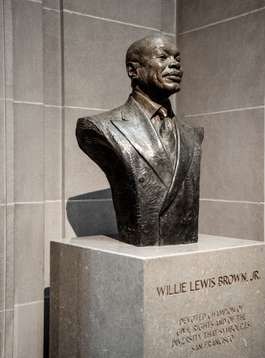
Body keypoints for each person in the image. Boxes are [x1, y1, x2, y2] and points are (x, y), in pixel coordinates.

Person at [76, 33, 204, 246]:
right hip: (142, 242)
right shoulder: (100, 126)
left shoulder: (193, 135)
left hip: (184, 240)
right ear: (133, 70)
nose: (175, 65)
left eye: (177, 60)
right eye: (163, 58)